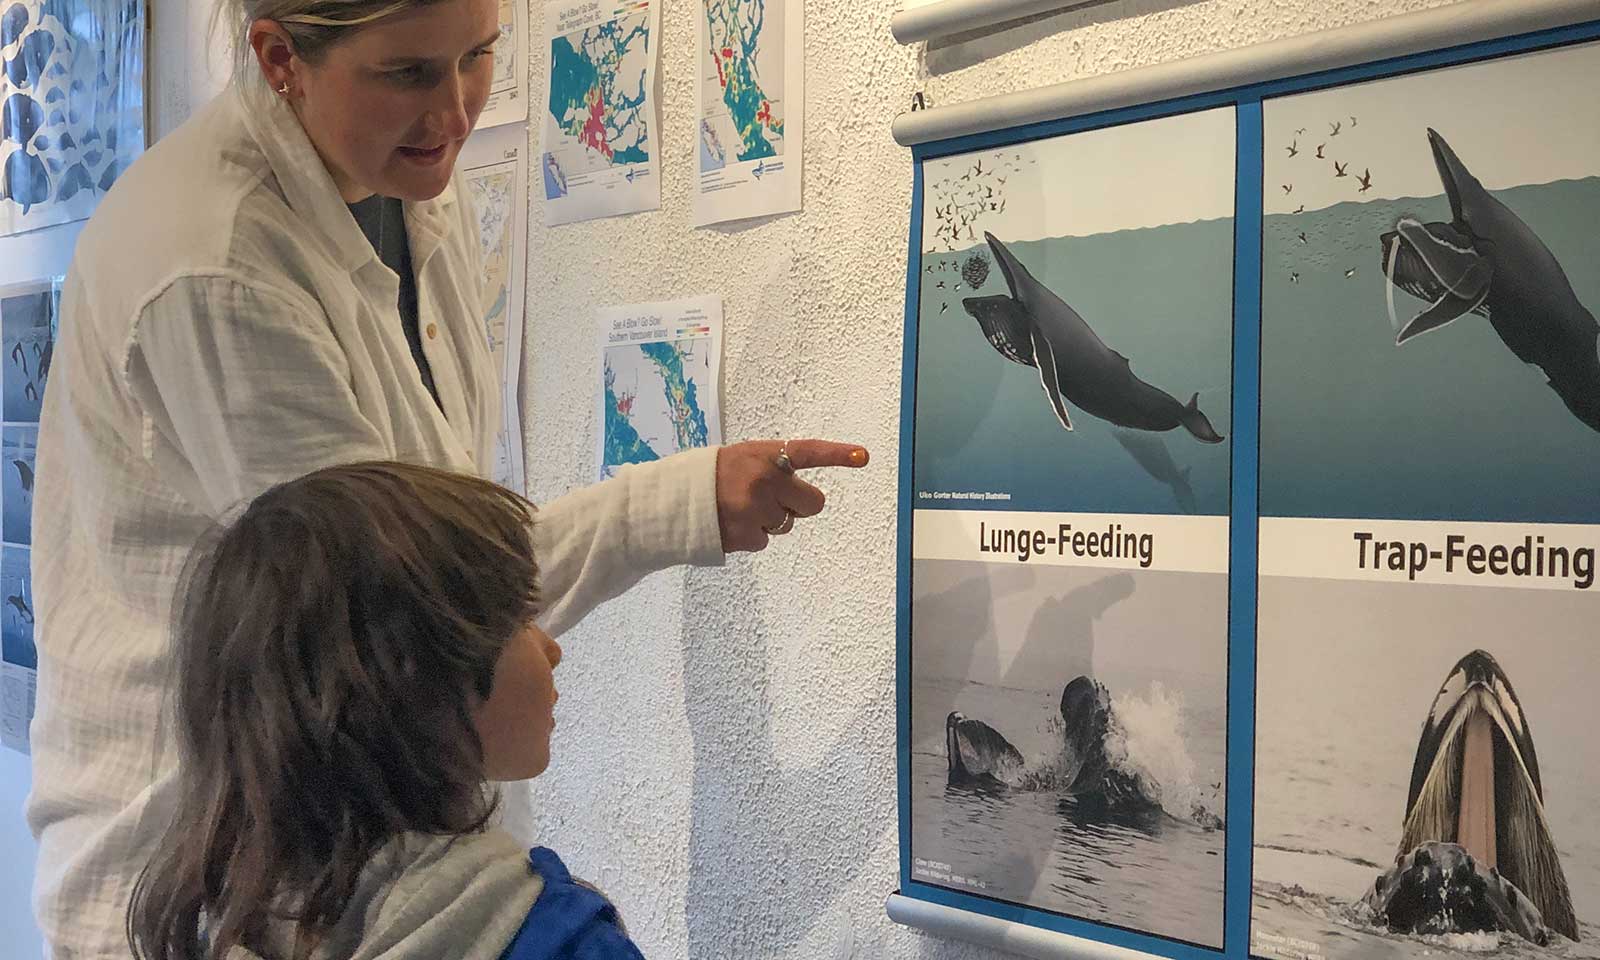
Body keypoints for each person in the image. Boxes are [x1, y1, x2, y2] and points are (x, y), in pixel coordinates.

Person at [28, 0, 868, 956]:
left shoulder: (414, 179)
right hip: (242, 890)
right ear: (278, 57)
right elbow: (395, 616)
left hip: (382, 864)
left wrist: (687, 499)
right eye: (409, 73)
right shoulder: (211, 268)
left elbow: (437, 569)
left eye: (479, 57)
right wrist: (670, 507)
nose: (457, 111)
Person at [128, 461, 645, 960]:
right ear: (415, 679)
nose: (550, 648)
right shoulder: (560, 939)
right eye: (522, 617)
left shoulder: (215, 926)